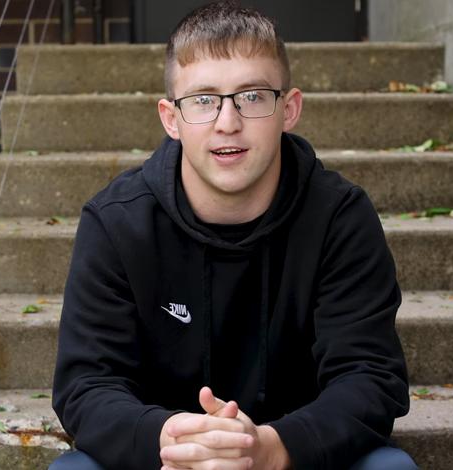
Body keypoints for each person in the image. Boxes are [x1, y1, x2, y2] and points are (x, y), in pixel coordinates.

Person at [50, 2, 416, 469]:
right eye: (202, 99)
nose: (228, 121)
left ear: (290, 108)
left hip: (292, 457)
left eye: (253, 96)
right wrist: (173, 438)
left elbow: (370, 377)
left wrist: (270, 448)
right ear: (170, 118)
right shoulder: (117, 223)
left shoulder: (339, 217)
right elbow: (87, 385)